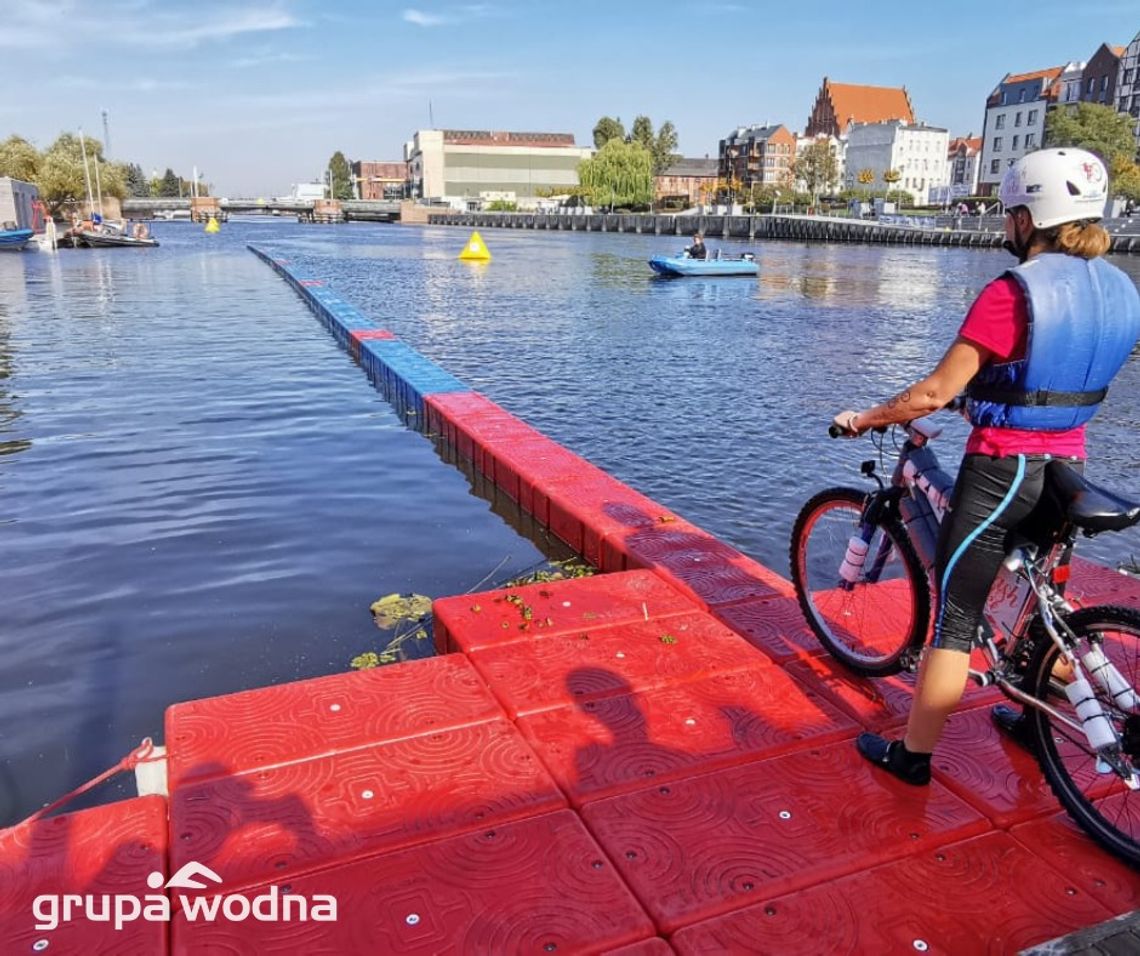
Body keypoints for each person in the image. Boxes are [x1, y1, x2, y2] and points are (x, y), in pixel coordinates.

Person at [832, 148, 1140, 785]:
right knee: (1038, 597)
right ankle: (1035, 717)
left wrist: (864, 417)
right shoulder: (1119, 287)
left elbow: (932, 394)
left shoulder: (1014, 293)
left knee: (957, 616)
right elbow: (1056, 377)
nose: (1006, 227)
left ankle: (913, 757)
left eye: (1010, 215)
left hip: (1003, 472)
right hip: (1067, 463)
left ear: (1029, 218)